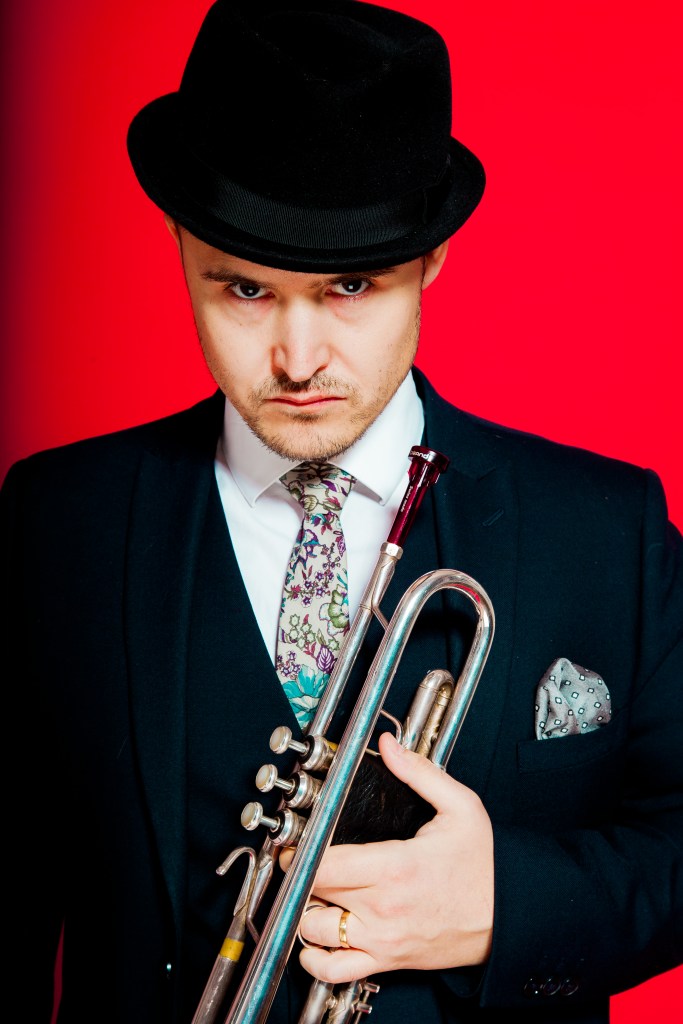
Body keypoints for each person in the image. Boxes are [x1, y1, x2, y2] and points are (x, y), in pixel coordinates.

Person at [3, 2, 681, 1022]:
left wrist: (505, 904)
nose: (297, 358)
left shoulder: (605, 529)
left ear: (432, 258)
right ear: (179, 244)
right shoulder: (57, 522)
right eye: (243, 290)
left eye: (351, 285)